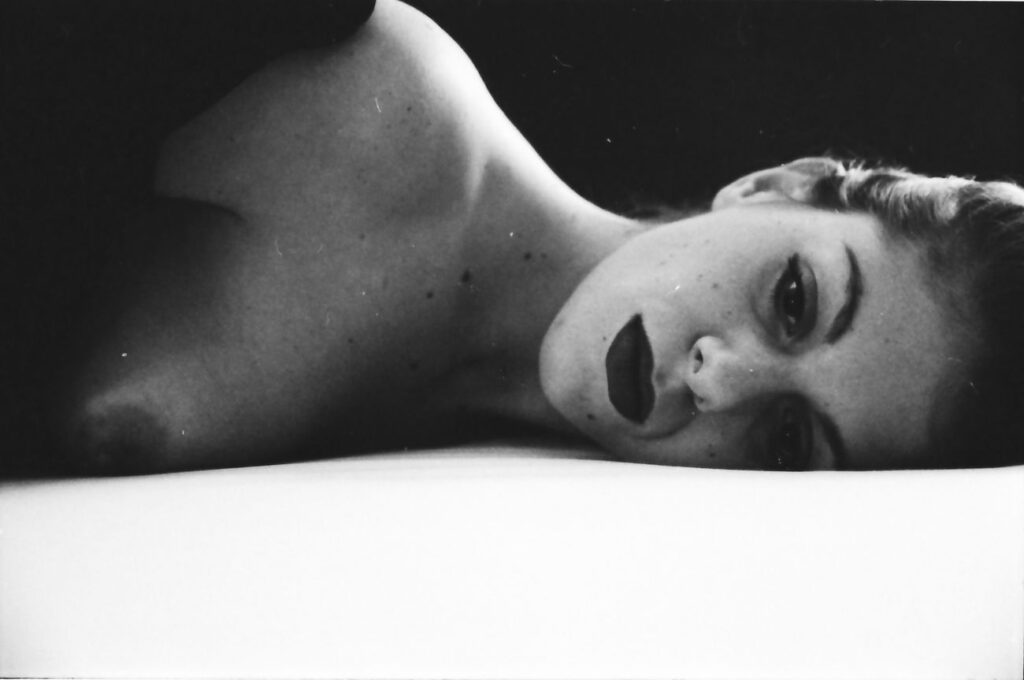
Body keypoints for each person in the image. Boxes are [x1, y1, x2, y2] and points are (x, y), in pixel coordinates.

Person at [61, 0, 1024, 474]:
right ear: (771, 187)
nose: (719, 380)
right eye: (795, 300)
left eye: (785, 439)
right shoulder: (368, 95)